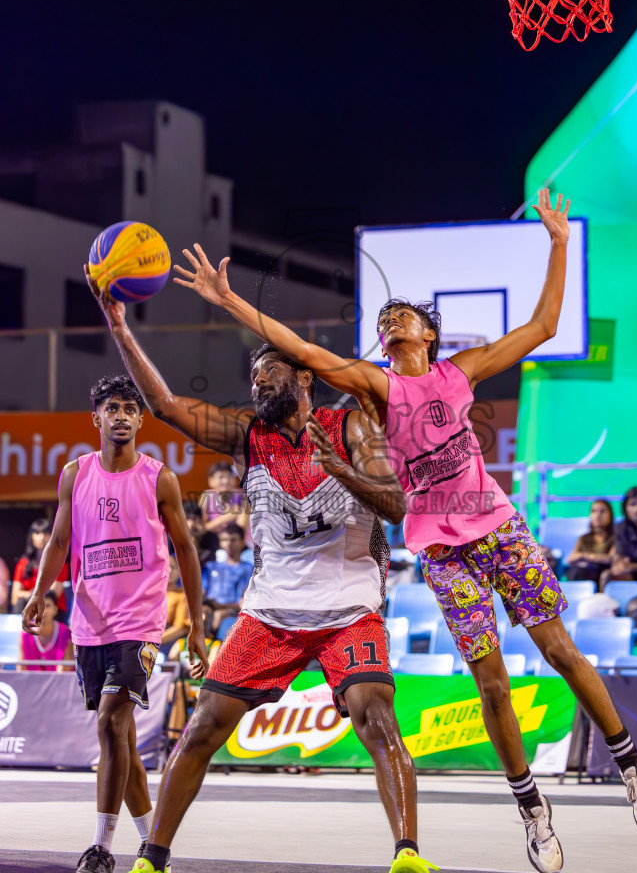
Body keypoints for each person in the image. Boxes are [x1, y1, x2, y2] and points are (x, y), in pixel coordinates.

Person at [173, 190, 637, 873]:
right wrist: (232, 303)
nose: (392, 319)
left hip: (497, 530)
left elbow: (544, 325)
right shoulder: (377, 387)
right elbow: (301, 348)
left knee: (559, 649)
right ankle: (530, 807)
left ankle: (629, 763)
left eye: (403, 313)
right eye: (385, 315)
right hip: (441, 550)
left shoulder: (458, 374)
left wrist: (557, 243)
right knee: (492, 684)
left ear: (428, 335)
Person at [86, 267, 437, 873]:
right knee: (200, 730)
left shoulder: (351, 425)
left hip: (349, 608)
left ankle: (407, 856)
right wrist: (119, 324)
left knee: (377, 717)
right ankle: (152, 858)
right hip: (271, 611)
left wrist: (345, 471)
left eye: (268, 371)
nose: (257, 382)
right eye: (252, 376)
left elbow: (399, 507)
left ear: (303, 376)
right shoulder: (249, 437)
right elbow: (166, 405)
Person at [22, 374, 209, 873]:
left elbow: (186, 550)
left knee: (111, 721)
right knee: (118, 739)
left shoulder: (159, 477)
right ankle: (154, 850)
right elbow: (59, 543)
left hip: (141, 622)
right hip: (90, 623)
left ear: (141, 419)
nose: (122, 415)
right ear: (97, 417)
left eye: (130, 407)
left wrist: (195, 622)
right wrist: (40, 593)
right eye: (113, 407)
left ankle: (101, 848)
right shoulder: (74, 475)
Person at [202, 523, 253, 635]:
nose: (228, 544)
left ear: (242, 542)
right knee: (203, 615)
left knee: (218, 616)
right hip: (208, 607)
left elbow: (243, 602)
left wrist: (220, 605)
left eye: (233, 540)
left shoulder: (248, 569)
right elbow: (202, 593)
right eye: (224, 540)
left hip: (231, 611)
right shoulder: (211, 567)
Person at [11, 518, 69, 616]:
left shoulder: (60, 561)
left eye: (46, 533)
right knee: (20, 602)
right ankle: (21, 630)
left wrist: (29, 594)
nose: (41, 537)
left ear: (52, 536)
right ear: (32, 536)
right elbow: (14, 596)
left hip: (51, 612)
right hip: (28, 609)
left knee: (47, 604)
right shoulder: (22, 564)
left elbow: (53, 594)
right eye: (37, 533)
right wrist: (34, 595)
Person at [18, 589, 73, 671]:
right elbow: (21, 670)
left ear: (56, 609)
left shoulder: (66, 634)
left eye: (47, 605)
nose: (43, 611)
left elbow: (64, 672)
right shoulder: (24, 635)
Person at [565, 499, 615, 585]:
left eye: (602, 511)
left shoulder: (616, 537)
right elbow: (571, 559)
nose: (598, 515)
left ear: (610, 514)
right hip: (583, 572)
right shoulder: (583, 538)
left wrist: (584, 556)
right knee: (575, 572)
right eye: (594, 511)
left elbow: (610, 559)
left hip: (604, 574)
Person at [161, 555, 191, 650]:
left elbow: (180, 628)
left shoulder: (183, 594)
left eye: (173, 567)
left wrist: (153, 642)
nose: (169, 570)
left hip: (169, 642)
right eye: (165, 566)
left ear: (179, 571)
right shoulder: (149, 593)